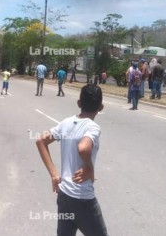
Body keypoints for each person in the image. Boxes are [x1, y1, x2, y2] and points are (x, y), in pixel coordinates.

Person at [35, 84, 108, 236]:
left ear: (79, 103)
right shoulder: (93, 127)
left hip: (64, 196)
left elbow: (41, 141)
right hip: (83, 199)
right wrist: (89, 168)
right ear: (101, 107)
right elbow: (83, 148)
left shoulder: (66, 122)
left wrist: (54, 174)